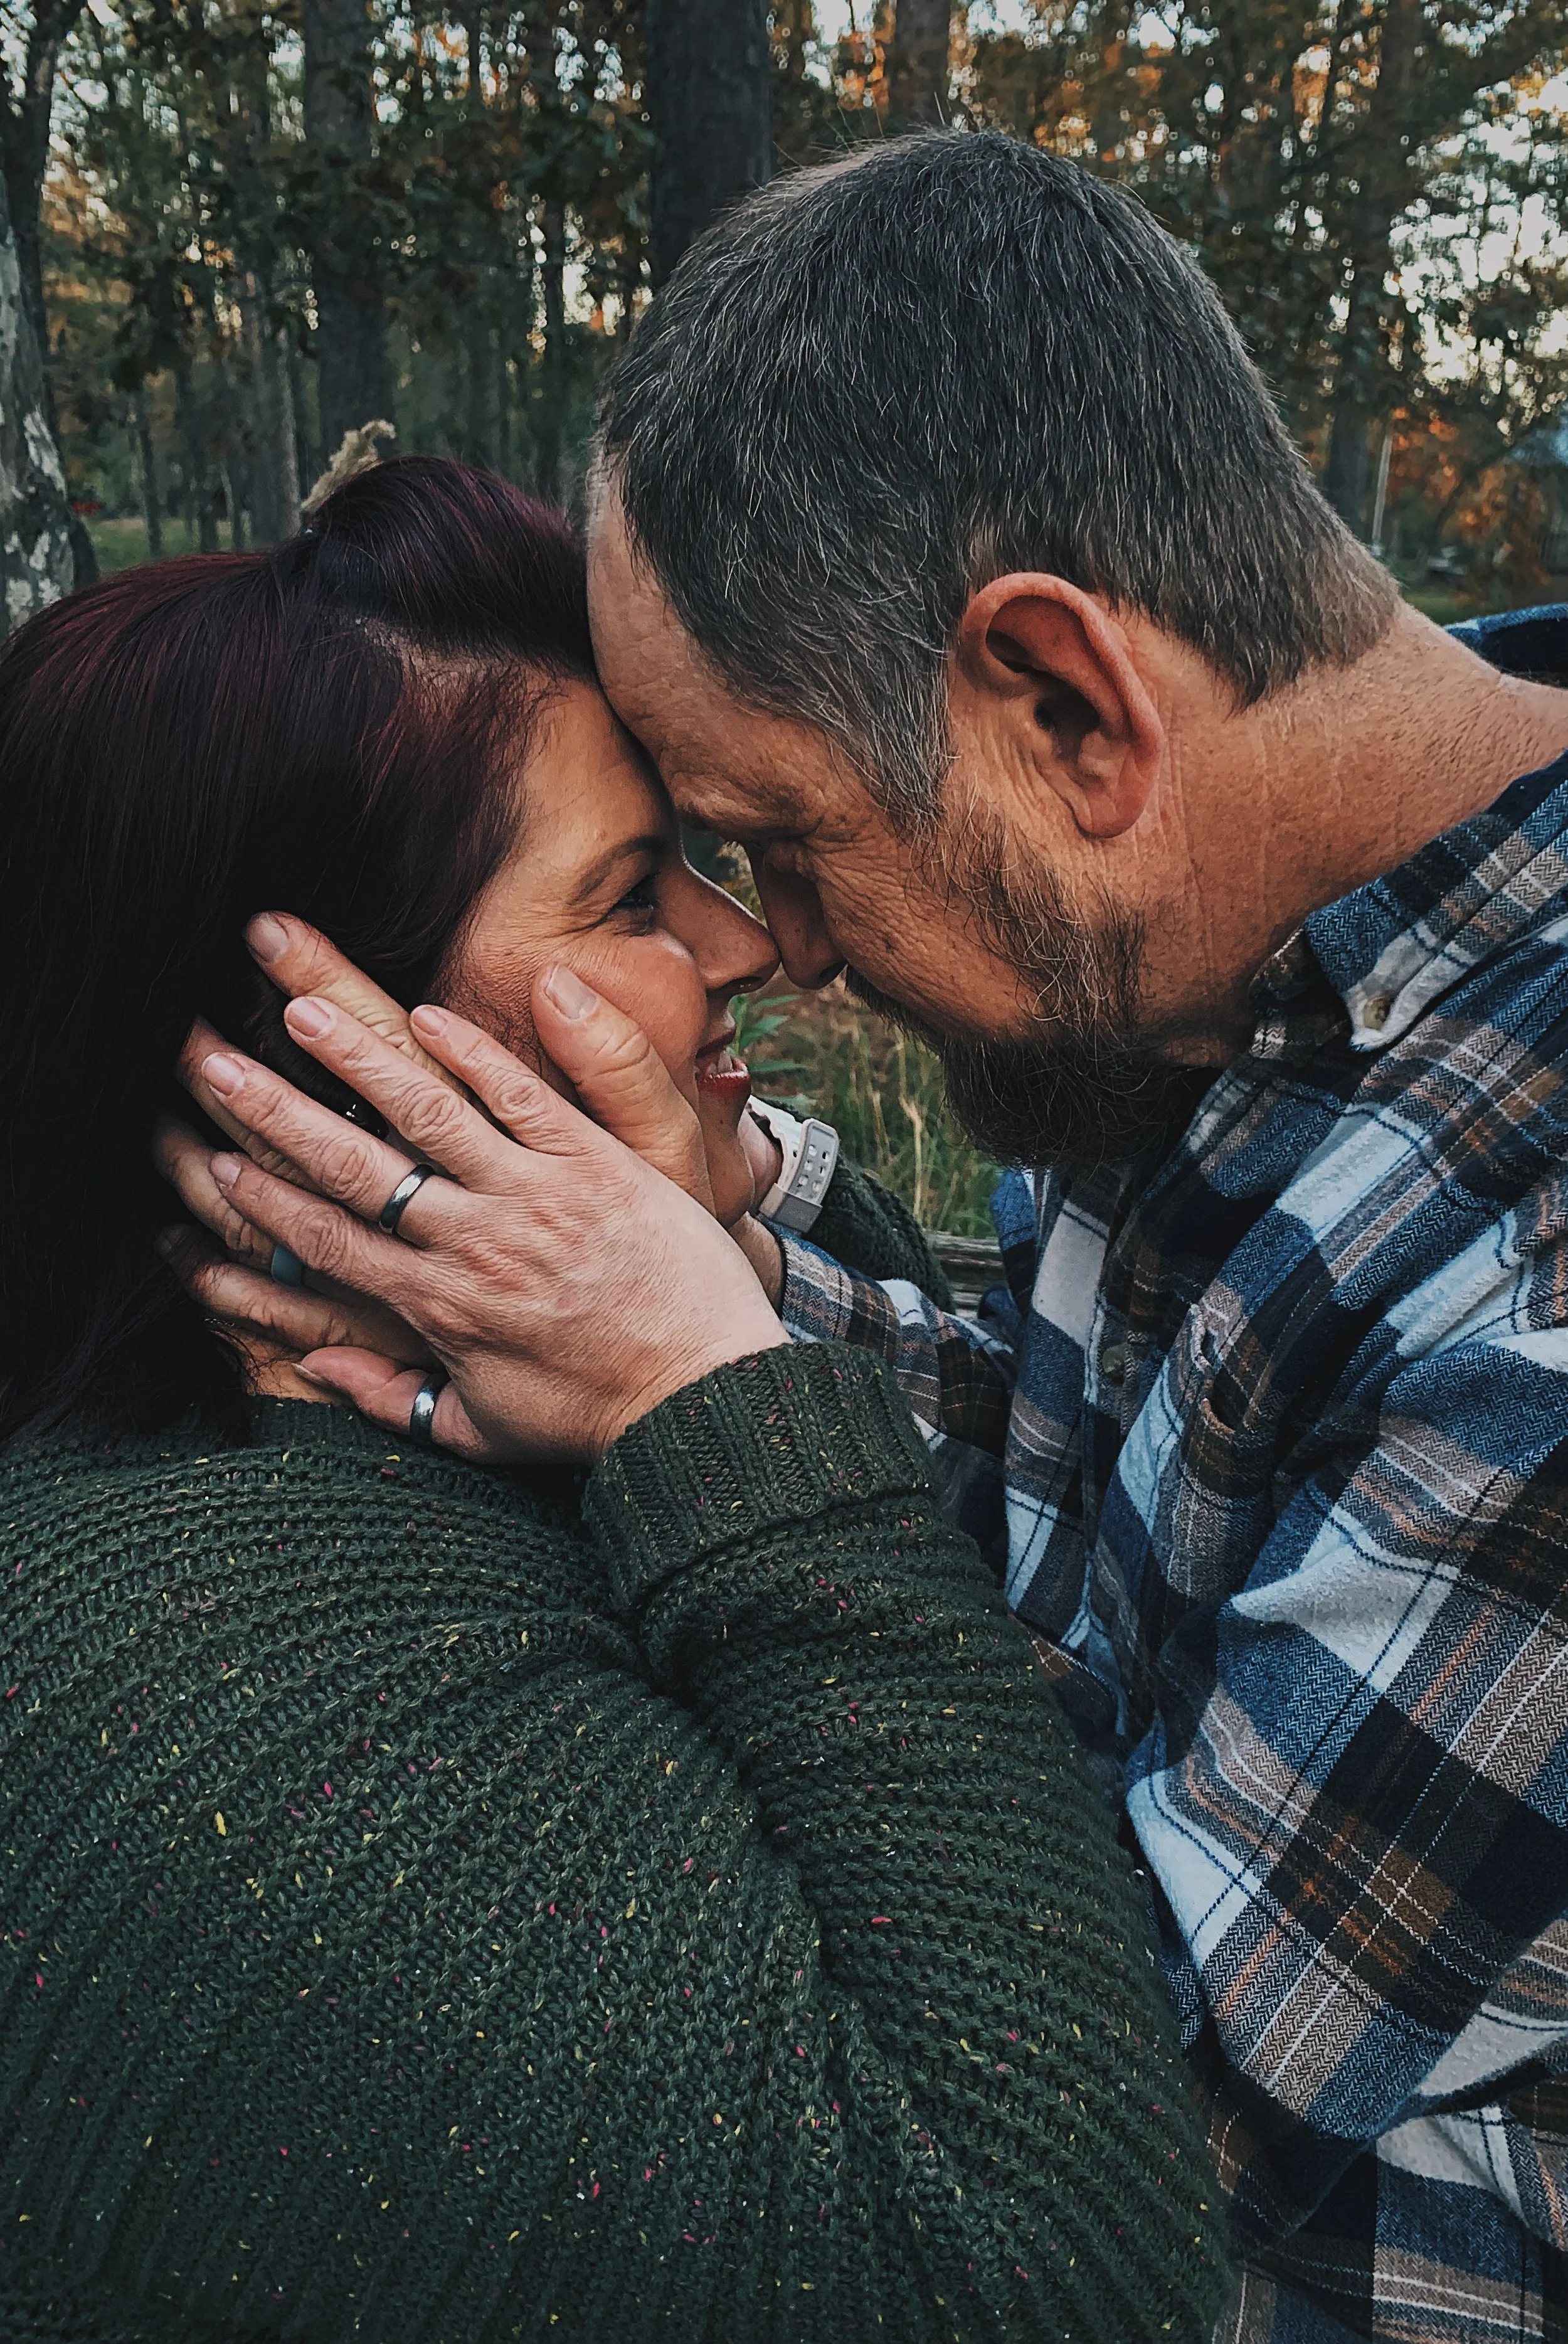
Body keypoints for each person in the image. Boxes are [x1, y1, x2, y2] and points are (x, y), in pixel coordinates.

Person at [189, 142, 1568, 2342]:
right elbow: (1069, 1461)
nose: (781, 952)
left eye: (783, 840)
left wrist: (702, 1412)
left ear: (1062, 706)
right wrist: (636, 1238)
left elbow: (1092, 2150)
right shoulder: (1254, 950)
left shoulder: (1539, 1283)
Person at [0, 455, 1228, 2343]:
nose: (747, 950)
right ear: (315, 1054)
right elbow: (1052, 2284)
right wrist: (710, 1396)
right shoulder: (261, 1712)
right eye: (626, 894)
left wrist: (687, 1315)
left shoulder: (370, 1449)